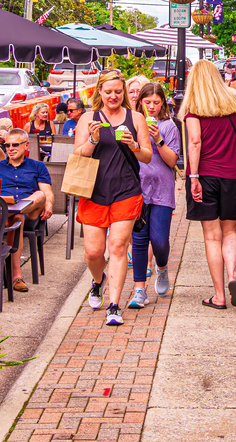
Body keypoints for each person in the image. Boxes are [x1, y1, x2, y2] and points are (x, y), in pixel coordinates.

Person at [72, 70, 153, 326]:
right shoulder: (88, 118)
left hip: (126, 190)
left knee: (117, 247)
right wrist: (93, 141)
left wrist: (134, 145)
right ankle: (98, 281)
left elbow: (147, 156)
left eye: (118, 91)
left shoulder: (136, 118)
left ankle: (114, 305)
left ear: (124, 92)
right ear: (100, 92)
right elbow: (78, 155)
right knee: (93, 252)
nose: (114, 96)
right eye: (108, 92)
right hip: (94, 191)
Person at [180, 61, 236, 310]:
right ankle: (234, 276)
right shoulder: (235, 104)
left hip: (206, 175)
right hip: (234, 175)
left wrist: (194, 177)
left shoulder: (193, 108)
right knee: (230, 230)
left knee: (212, 237)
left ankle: (220, 296)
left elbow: (195, 143)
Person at [128, 82, 180, 309]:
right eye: (147, 102)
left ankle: (162, 267)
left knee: (159, 241)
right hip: (137, 188)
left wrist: (158, 139)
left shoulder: (169, 126)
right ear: (140, 102)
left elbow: (172, 161)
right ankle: (139, 290)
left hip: (161, 188)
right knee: (139, 242)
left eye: (156, 103)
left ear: (163, 103)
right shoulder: (132, 124)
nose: (151, 107)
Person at [0, 128, 55, 293]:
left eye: (15, 144)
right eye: (7, 145)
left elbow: (47, 191)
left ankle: (9, 273)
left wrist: (49, 203)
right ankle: (16, 276)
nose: (10, 148)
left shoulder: (37, 166)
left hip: (31, 212)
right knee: (17, 218)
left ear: (26, 145)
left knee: (38, 195)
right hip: (5, 212)